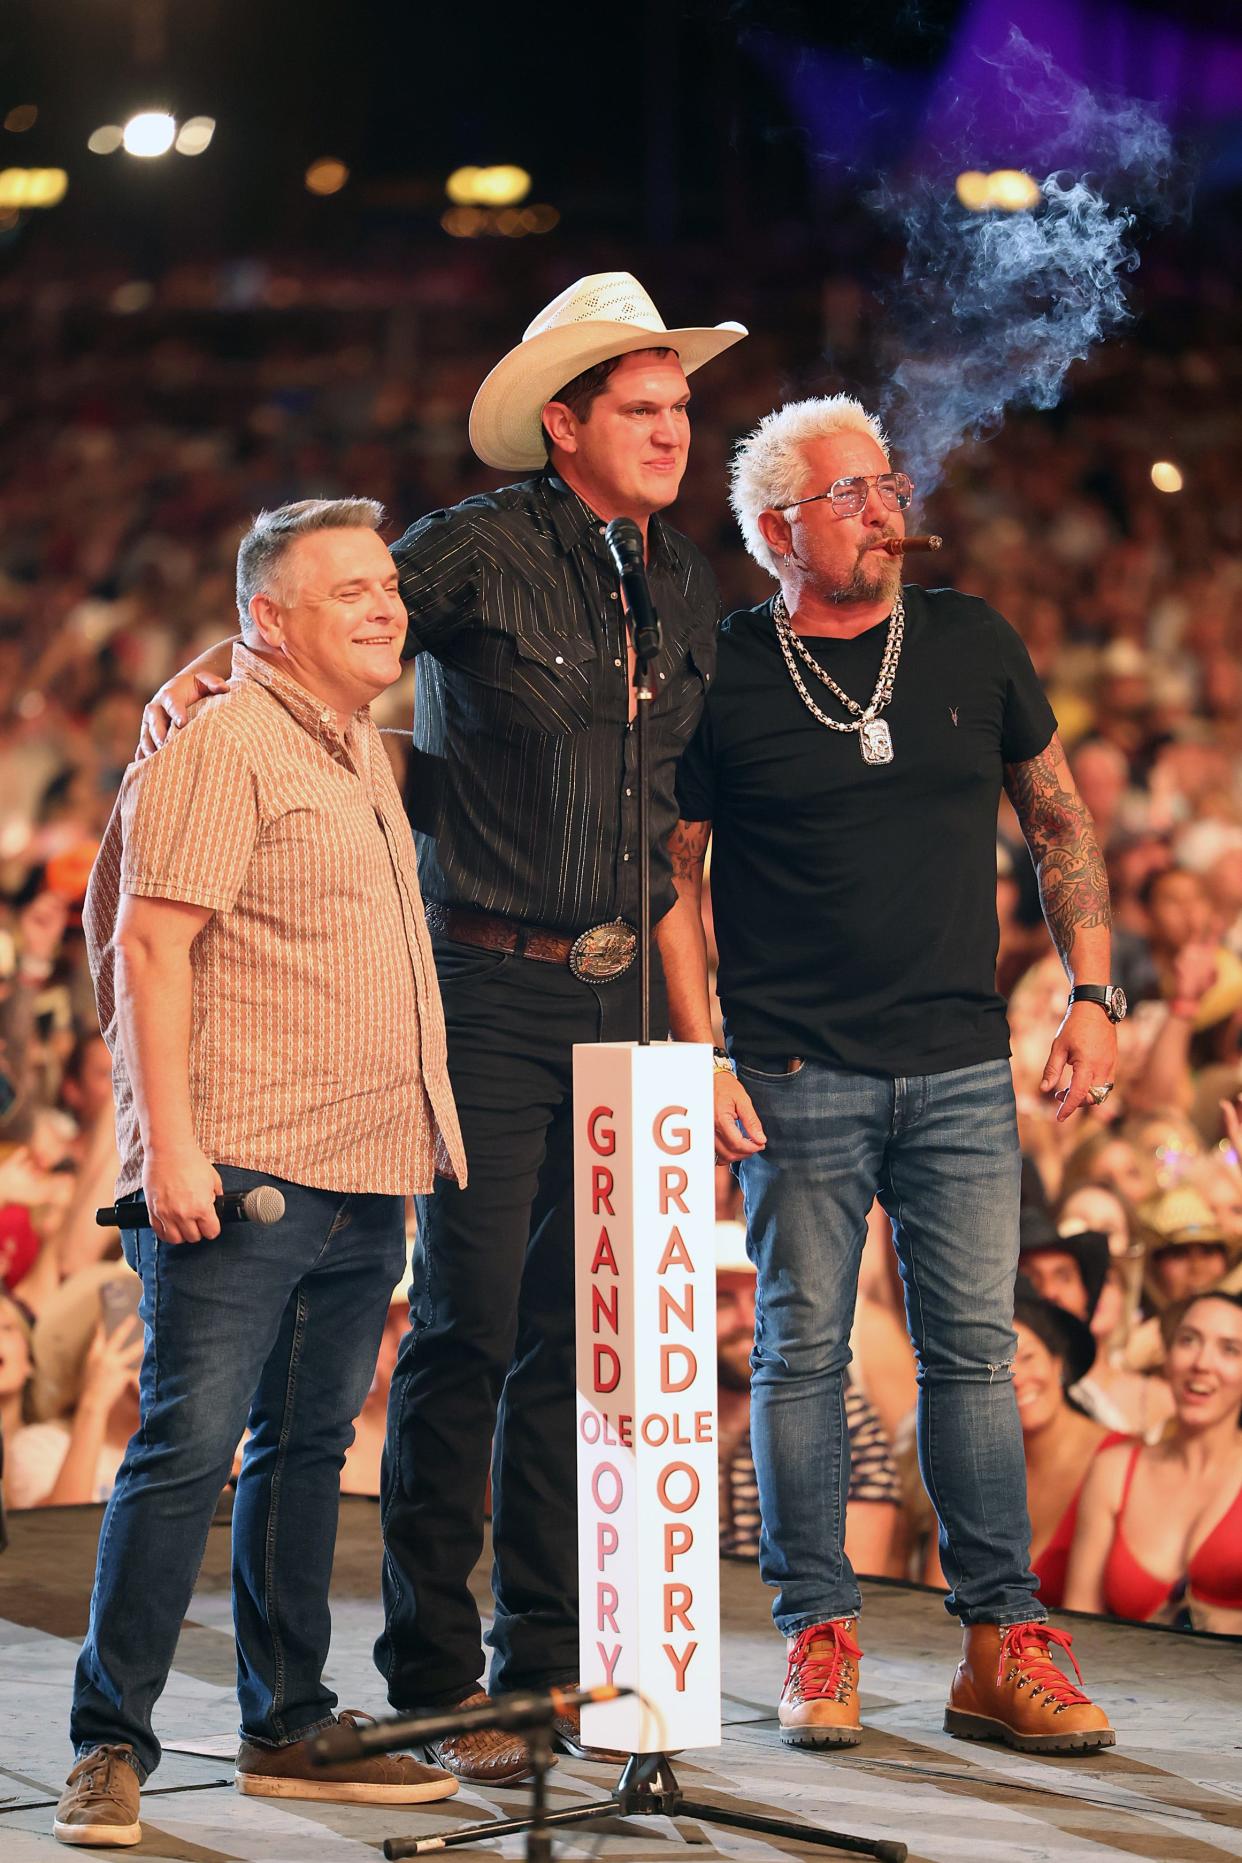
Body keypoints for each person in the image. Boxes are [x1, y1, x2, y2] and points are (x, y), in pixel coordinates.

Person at [137, 273, 747, 1783]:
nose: (674, 433)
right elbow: (319, 635)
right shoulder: (468, 552)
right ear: (563, 422)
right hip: (480, 983)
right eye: (644, 409)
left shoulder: (685, 590)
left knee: (578, 1345)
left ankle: (541, 1670)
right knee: (464, 1333)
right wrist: (194, 678)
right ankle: (431, 1670)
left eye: (682, 409)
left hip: (621, 995)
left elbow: (670, 838)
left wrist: (702, 1035)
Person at [660, 394, 1116, 1752]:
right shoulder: (728, 663)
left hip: (961, 1060)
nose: (884, 505)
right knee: (801, 1353)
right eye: (851, 490)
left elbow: (1059, 820)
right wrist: (705, 1049)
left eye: (885, 481)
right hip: (793, 1067)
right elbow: (672, 870)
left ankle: (999, 1643)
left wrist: (1090, 989)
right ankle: (819, 1634)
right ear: (775, 529)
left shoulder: (969, 635)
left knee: (970, 1354)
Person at [55, 499, 465, 1848]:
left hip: (362, 1167)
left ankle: (288, 1721)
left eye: (387, 584)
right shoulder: (223, 739)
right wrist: (168, 1145)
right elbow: (147, 950)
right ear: (266, 620)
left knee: (302, 1452)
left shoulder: (353, 745)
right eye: (344, 588)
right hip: (239, 1169)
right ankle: (108, 1741)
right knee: (182, 1448)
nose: (382, 604)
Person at [1065, 1291, 1242, 1634]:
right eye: (1188, 1340)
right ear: (1167, 1354)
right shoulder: (1114, 1470)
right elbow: (1079, 1624)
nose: (1202, 1362)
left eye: (1229, 1349)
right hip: (1123, 1682)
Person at [1010, 1283, 1123, 1609]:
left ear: (1058, 1363)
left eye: (1028, 1357)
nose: (1016, 1377)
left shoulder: (1120, 1460)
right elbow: (939, 1593)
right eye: (998, 1364)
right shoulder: (975, 1466)